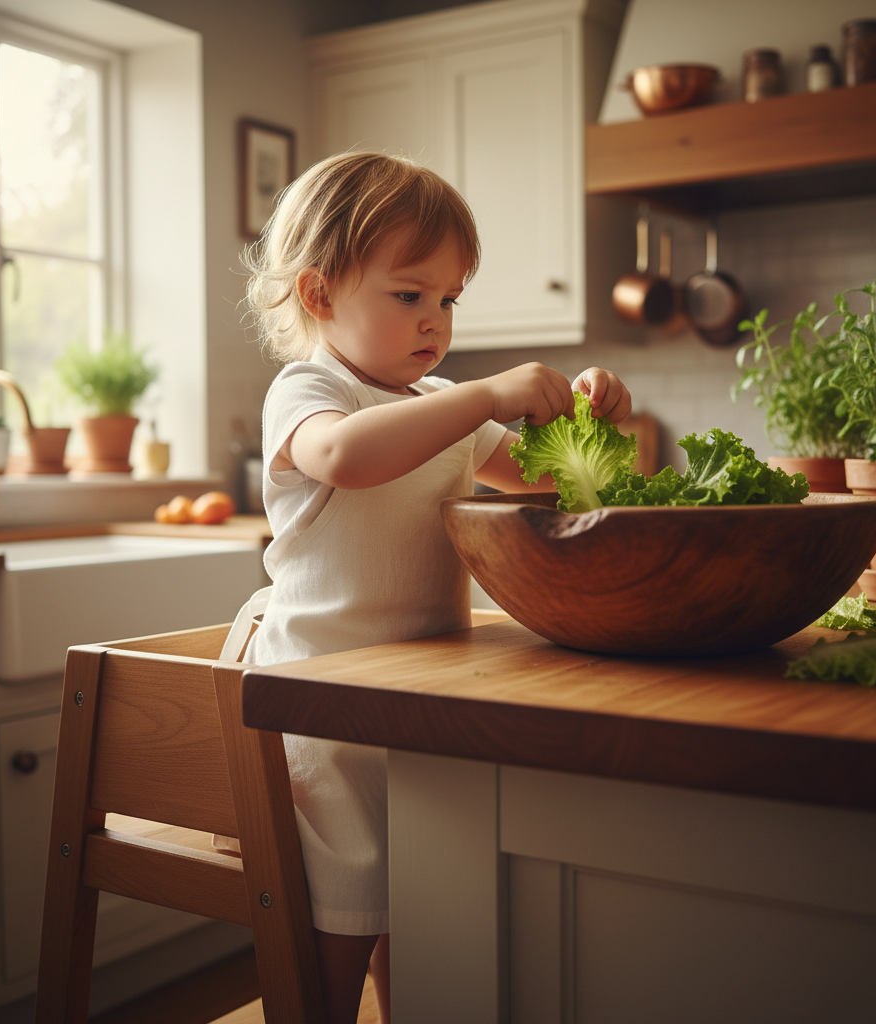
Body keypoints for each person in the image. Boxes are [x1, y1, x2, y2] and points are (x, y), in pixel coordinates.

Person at [239, 151, 632, 1023]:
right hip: (322, 699)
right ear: (318, 294)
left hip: (420, 698)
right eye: (410, 295)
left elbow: (543, 480)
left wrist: (591, 416)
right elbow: (348, 455)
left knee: (419, 904)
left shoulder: (443, 401)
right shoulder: (308, 390)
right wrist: (487, 393)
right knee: (342, 909)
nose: (435, 321)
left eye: (449, 300)